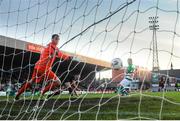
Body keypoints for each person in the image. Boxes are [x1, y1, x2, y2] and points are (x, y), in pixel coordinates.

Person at [15, 34, 72, 100]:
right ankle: (41, 92)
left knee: (31, 82)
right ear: (52, 39)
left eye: (58, 39)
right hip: (44, 67)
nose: (57, 40)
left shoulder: (53, 47)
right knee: (58, 82)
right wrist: (62, 56)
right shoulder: (50, 47)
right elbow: (56, 54)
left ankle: (18, 94)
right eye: (56, 38)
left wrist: (67, 57)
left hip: (38, 66)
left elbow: (59, 54)